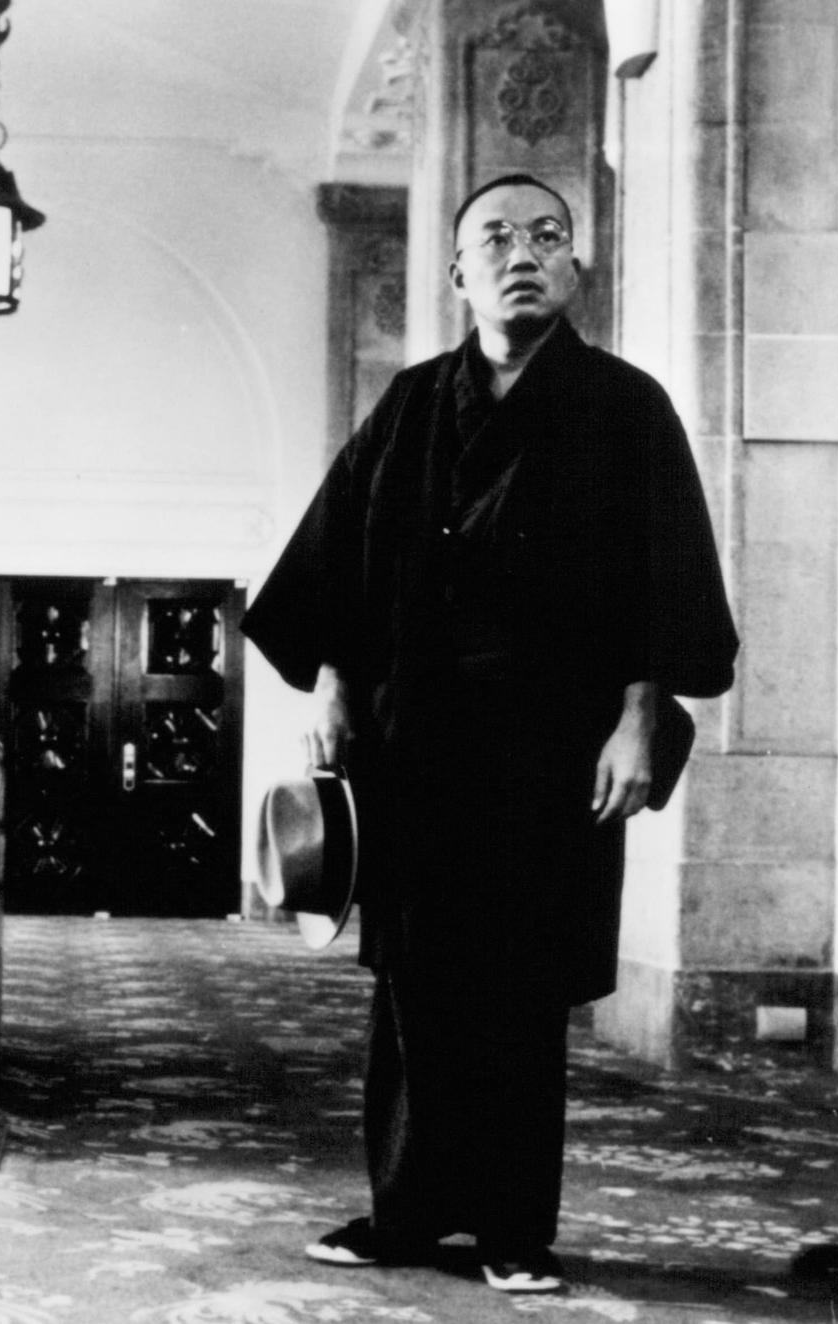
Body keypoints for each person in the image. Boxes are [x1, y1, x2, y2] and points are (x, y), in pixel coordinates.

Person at [240, 174, 738, 1294]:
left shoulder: (626, 408)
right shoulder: (413, 402)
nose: (523, 254)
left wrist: (637, 720)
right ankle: (407, 1214)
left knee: (518, 986)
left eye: (548, 236)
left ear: (576, 268)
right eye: (497, 238)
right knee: (414, 985)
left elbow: (665, 579)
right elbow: (341, 558)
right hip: (413, 737)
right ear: (458, 272)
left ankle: (513, 1227)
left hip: (552, 745)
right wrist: (330, 686)